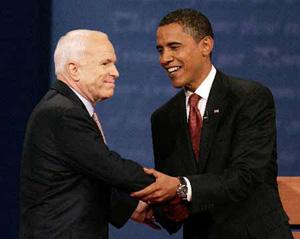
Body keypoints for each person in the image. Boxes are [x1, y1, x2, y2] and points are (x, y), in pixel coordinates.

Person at [131, 9, 293, 239]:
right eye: (160, 50)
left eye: (174, 47)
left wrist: (179, 186)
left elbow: (246, 177)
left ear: (205, 45)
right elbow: (177, 202)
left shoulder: (249, 98)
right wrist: (155, 207)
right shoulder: (163, 118)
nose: (164, 58)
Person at [20, 29, 179, 239]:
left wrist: (131, 207)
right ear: (74, 70)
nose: (115, 72)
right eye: (105, 63)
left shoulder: (64, 107)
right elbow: (111, 168)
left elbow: (87, 177)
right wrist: (173, 189)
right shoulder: (63, 113)